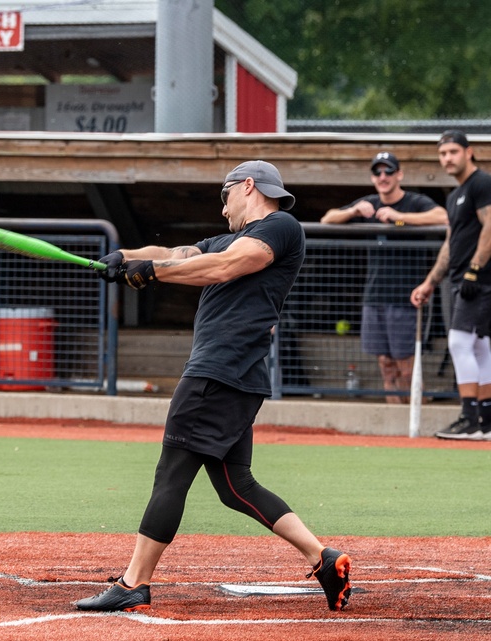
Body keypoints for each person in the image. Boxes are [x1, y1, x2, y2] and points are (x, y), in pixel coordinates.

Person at [75, 160, 352, 614]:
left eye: (225, 198)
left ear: (248, 186)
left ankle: (133, 582)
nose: (223, 211)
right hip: (236, 377)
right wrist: (125, 258)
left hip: (218, 373)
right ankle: (322, 558)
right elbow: (177, 254)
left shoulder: (281, 227)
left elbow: (224, 267)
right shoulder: (225, 238)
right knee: (235, 485)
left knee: (171, 474)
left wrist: (152, 273)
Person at [321, 152, 448, 403]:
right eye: (378, 172)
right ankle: (393, 426)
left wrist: (399, 217)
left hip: (405, 297)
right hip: (374, 294)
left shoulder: (415, 201)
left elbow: (443, 216)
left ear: (399, 174)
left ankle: (414, 421)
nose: (383, 176)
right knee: (385, 364)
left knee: (406, 366)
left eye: (388, 171)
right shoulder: (368, 202)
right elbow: (328, 218)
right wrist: (354, 211)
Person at [411, 130, 491, 439]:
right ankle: (485, 421)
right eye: (443, 154)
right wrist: (430, 282)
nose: (447, 158)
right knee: (482, 347)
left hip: (478, 281)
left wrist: (474, 270)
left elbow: (490, 227)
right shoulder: (454, 195)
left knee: (459, 343)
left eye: (453, 152)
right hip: (462, 279)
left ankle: (469, 417)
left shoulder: (482, 183)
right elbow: (450, 244)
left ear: (469, 152)